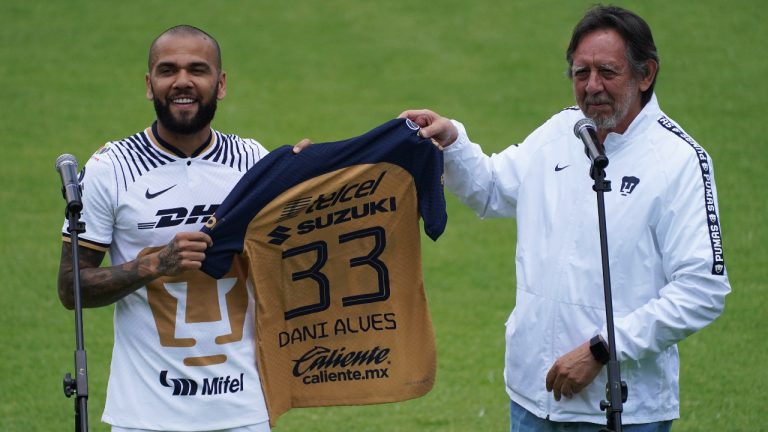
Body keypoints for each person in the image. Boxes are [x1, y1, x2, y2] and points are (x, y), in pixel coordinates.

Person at [400, 5, 730, 431]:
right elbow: (494, 189)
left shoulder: (679, 161)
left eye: (607, 72)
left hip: (623, 411)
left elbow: (703, 287)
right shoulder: (561, 133)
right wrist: (452, 142)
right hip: (533, 398)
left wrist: (602, 349)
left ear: (645, 74)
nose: (592, 86)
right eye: (581, 72)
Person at [58, 25, 307, 432]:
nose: (182, 82)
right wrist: (157, 264)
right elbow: (71, 289)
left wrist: (314, 178)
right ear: (149, 83)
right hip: (144, 415)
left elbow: (291, 257)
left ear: (221, 83)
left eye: (198, 69)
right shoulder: (110, 170)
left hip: (243, 411)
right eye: (167, 70)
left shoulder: (253, 162)